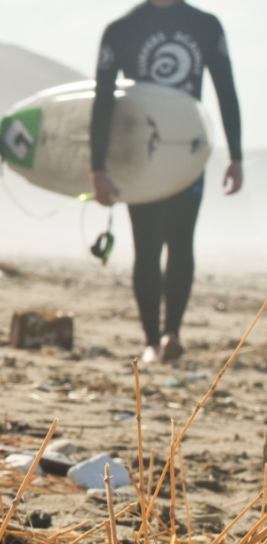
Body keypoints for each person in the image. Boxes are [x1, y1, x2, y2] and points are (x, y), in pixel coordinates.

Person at [90, 0, 243, 364]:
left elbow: (225, 88)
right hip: (138, 157)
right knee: (146, 247)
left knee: (180, 242)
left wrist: (235, 155)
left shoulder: (205, 25)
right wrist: (98, 167)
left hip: (186, 154)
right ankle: (151, 341)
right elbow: (103, 99)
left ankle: (172, 332)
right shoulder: (121, 29)